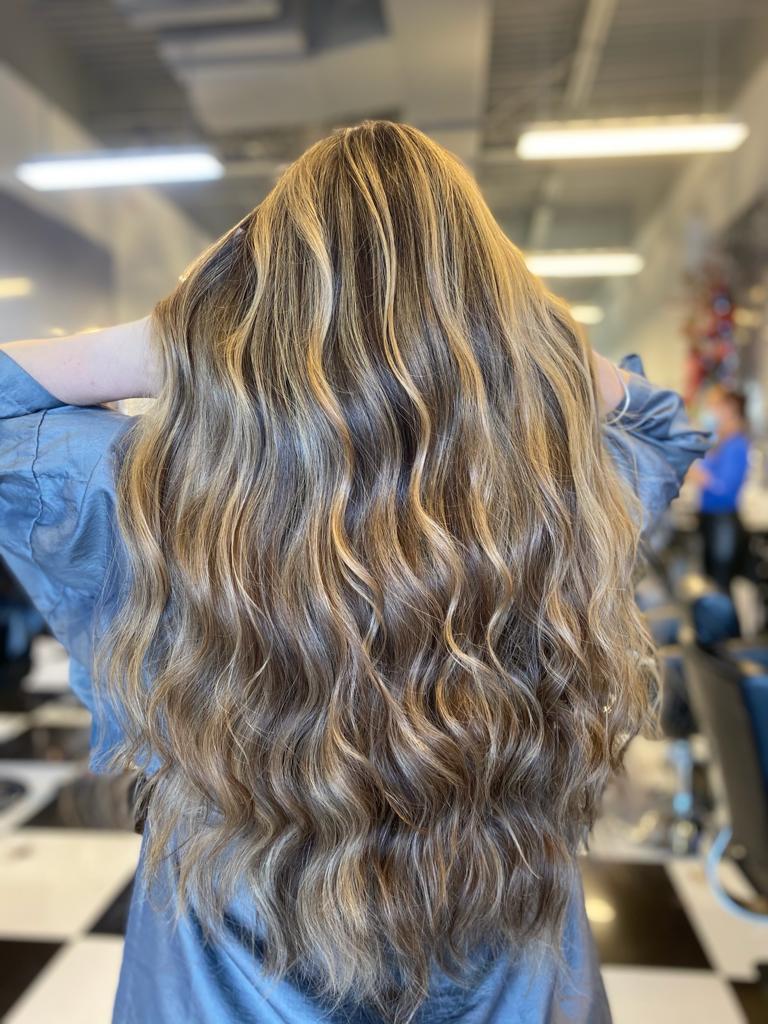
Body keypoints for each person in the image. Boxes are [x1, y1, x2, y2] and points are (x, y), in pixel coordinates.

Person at [0, 122, 709, 1024]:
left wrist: (162, 339)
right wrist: (530, 332)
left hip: (216, 997)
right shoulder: (558, 498)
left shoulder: (149, 497)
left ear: (254, 310)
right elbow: (662, 424)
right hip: (516, 992)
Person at [689, 388, 750, 591]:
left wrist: (699, 476)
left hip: (723, 520)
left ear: (731, 409)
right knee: (711, 579)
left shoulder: (736, 445)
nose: (712, 411)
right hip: (710, 517)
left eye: (717, 406)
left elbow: (724, 487)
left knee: (720, 582)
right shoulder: (720, 443)